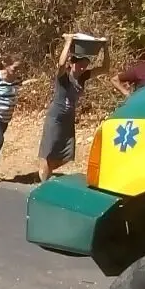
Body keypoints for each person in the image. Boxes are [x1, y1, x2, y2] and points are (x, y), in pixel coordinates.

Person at [39, 34, 107, 182]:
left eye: (85, 65)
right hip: (56, 116)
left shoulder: (82, 77)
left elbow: (105, 69)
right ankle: (43, 181)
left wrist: (104, 47)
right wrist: (68, 42)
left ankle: (46, 171)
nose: (82, 68)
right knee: (48, 151)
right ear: (72, 64)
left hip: (68, 118)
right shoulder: (63, 77)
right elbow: (61, 64)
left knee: (66, 154)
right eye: (80, 64)